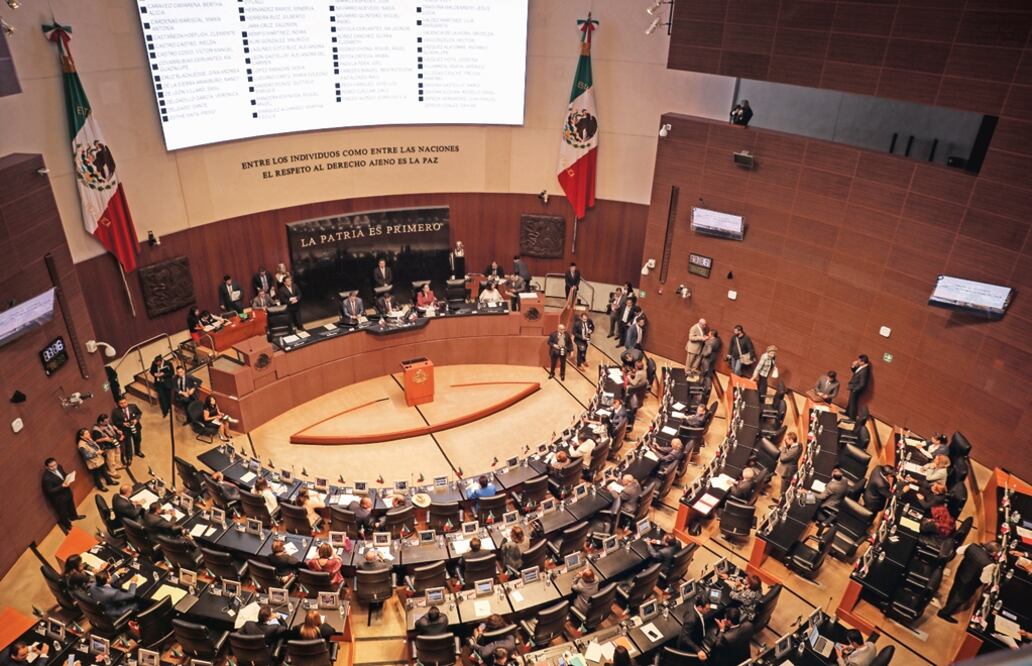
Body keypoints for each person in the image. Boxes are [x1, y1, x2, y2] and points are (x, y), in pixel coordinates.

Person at [42, 457, 82, 533]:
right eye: (51, 466)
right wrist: (61, 486)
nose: (54, 467)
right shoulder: (46, 478)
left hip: (67, 492)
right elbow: (49, 490)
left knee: (71, 505)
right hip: (59, 497)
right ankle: (67, 525)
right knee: (62, 512)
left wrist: (69, 476)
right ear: (47, 467)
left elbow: (63, 474)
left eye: (55, 465)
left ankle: (74, 516)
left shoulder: (59, 466)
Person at [111, 396, 144, 465]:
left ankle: (138, 451)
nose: (124, 404)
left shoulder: (133, 406)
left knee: (138, 439)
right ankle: (129, 458)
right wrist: (123, 424)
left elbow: (139, 413)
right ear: (118, 404)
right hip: (126, 430)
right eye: (121, 403)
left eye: (125, 402)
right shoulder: (115, 412)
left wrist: (136, 420)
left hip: (136, 427)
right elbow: (115, 422)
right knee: (128, 444)